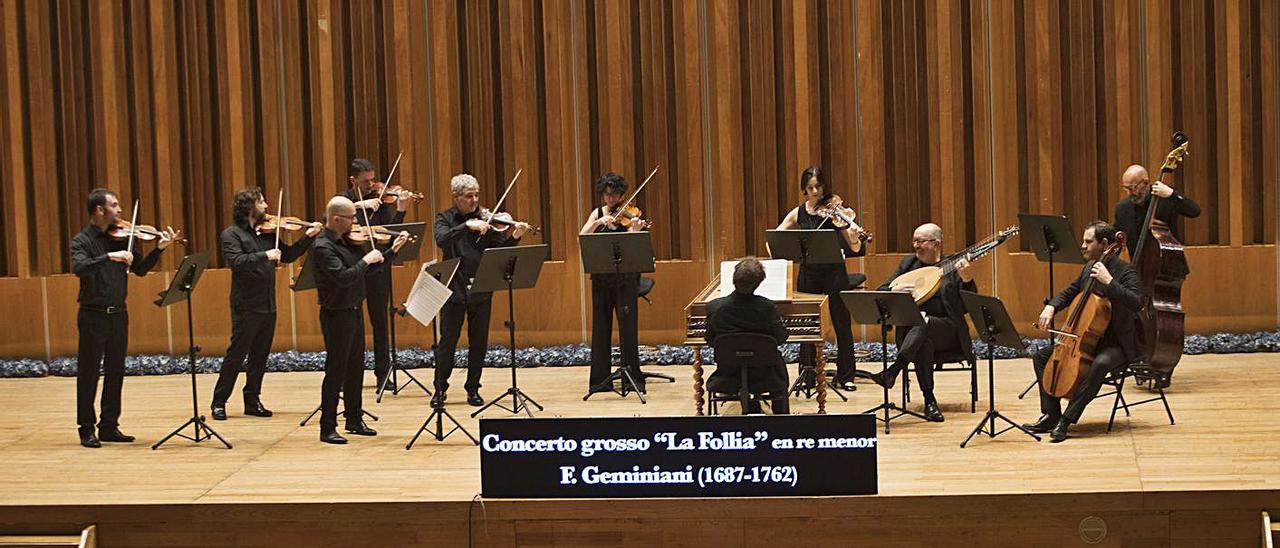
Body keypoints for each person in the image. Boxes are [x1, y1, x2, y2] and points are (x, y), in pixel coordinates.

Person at [70, 188, 179, 448]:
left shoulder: (121, 238)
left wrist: (159, 249)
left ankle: (109, 425)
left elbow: (140, 270)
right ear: (100, 210)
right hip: (93, 315)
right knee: (89, 373)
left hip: (119, 314)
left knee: (116, 371)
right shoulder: (82, 241)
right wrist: (108, 257)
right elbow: (79, 268)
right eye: (115, 206)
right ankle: (86, 428)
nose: (120, 211)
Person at [1023, 221, 1143, 443]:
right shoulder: (1088, 268)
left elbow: (1137, 302)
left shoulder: (1126, 271)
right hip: (1085, 340)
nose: (1083, 246)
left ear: (1104, 243)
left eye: (1089, 241)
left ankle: (1067, 420)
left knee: (1099, 364)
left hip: (1117, 343)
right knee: (1041, 356)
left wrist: (1110, 282)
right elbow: (1069, 293)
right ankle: (1051, 414)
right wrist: (1052, 306)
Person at [210, 187, 321, 421]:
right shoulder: (231, 235)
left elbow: (288, 255)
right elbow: (237, 262)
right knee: (237, 354)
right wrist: (265, 256)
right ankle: (219, 401)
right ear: (250, 207)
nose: (267, 207)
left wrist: (308, 237)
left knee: (260, 355)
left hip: (268, 303)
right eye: (262, 202)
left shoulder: (267, 233)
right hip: (245, 305)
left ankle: (252, 400)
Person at [312, 196, 408, 444]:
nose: (356, 222)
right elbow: (344, 277)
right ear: (336, 219)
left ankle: (353, 419)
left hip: (354, 310)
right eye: (351, 218)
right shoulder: (323, 247)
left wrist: (391, 252)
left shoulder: (348, 242)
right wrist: (366, 259)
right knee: (336, 371)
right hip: (336, 314)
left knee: (355, 367)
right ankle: (327, 427)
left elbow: (368, 272)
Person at [431, 173, 530, 407]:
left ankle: (473, 388)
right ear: (456, 197)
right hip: (453, 288)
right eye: (468, 196)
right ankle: (440, 389)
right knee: (448, 341)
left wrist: (514, 237)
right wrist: (466, 226)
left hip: (481, 288)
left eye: (476, 195)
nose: (474, 201)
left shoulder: (488, 219)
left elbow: (499, 251)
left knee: (479, 341)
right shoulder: (445, 218)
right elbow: (441, 240)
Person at [867, 223, 975, 423]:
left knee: (922, 322)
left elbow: (968, 306)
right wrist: (894, 291)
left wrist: (967, 280)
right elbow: (881, 289)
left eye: (921, 241)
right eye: (914, 240)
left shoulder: (952, 266)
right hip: (914, 335)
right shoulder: (908, 265)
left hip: (948, 331)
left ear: (936, 244)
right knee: (923, 342)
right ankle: (929, 401)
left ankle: (894, 370)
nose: (916, 245)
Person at [774, 166, 868, 389]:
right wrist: (777, 247)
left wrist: (854, 235)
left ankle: (846, 376)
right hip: (809, 274)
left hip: (835, 272)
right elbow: (776, 238)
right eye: (810, 188)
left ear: (824, 187)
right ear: (804, 189)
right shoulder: (798, 213)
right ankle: (807, 374)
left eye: (818, 187)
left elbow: (855, 247)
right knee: (808, 324)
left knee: (841, 323)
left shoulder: (837, 212)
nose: (815, 192)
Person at [340, 158, 416, 392]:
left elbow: (390, 234)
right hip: (352, 269)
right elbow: (334, 225)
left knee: (381, 323)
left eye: (373, 180)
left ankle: (383, 373)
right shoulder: (342, 201)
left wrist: (400, 210)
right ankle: (346, 376)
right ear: (353, 180)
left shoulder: (381, 204)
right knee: (350, 325)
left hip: (377, 269)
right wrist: (360, 206)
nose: (372, 185)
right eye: (366, 181)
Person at [580, 172, 651, 394]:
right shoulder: (597, 213)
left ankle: (632, 378)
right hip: (601, 279)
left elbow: (633, 245)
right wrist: (598, 223)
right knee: (600, 328)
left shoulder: (631, 214)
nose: (611, 200)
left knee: (628, 329)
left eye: (615, 195)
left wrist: (636, 229)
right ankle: (600, 381)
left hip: (625, 280)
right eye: (607, 195)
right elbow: (582, 235)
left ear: (622, 195)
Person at [704, 258, 790, 414]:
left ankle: (752, 408)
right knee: (776, 362)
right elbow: (781, 338)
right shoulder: (767, 308)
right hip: (766, 376)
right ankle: (781, 419)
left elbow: (710, 340)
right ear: (758, 284)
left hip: (729, 375)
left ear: (734, 279)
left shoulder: (715, 307)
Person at [1113, 163, 1200, 259]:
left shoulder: (1165, 198)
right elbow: (1117, 241)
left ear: (1145, 182)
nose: (1129, 193)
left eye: (1132, 188)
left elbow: (1194, 211)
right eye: (1126, 188)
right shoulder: (1122, 208)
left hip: (1169, 268)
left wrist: (1172, 194)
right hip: (1139, 269)